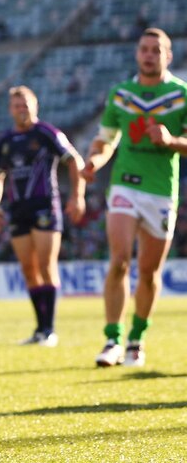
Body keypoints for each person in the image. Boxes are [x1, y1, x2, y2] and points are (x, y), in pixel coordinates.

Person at [81, 28, 187, 368]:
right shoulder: (121, 93)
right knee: (120, 260)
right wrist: (95, 161)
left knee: (149, 271)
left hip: (161, 189)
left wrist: (171, 141)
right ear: (136, 54)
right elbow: (106, 139)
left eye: (157, 50)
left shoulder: (181, 94)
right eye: (144, 49)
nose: (149, 54)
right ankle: (112, 339)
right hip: (125, 183)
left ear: (167, 56)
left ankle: (136, 339)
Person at [0, 86, 86, 347]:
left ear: (36, 106)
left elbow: (74, 160)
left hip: (45, 206)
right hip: (18, 210)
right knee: (29, 271)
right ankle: (40, 329)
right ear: (10, 110)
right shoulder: (5, 141)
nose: (22, 109)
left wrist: (78, 196)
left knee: (45, 265)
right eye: (17, 105)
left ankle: (49, 330)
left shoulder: (46, 133)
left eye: (26, 104)